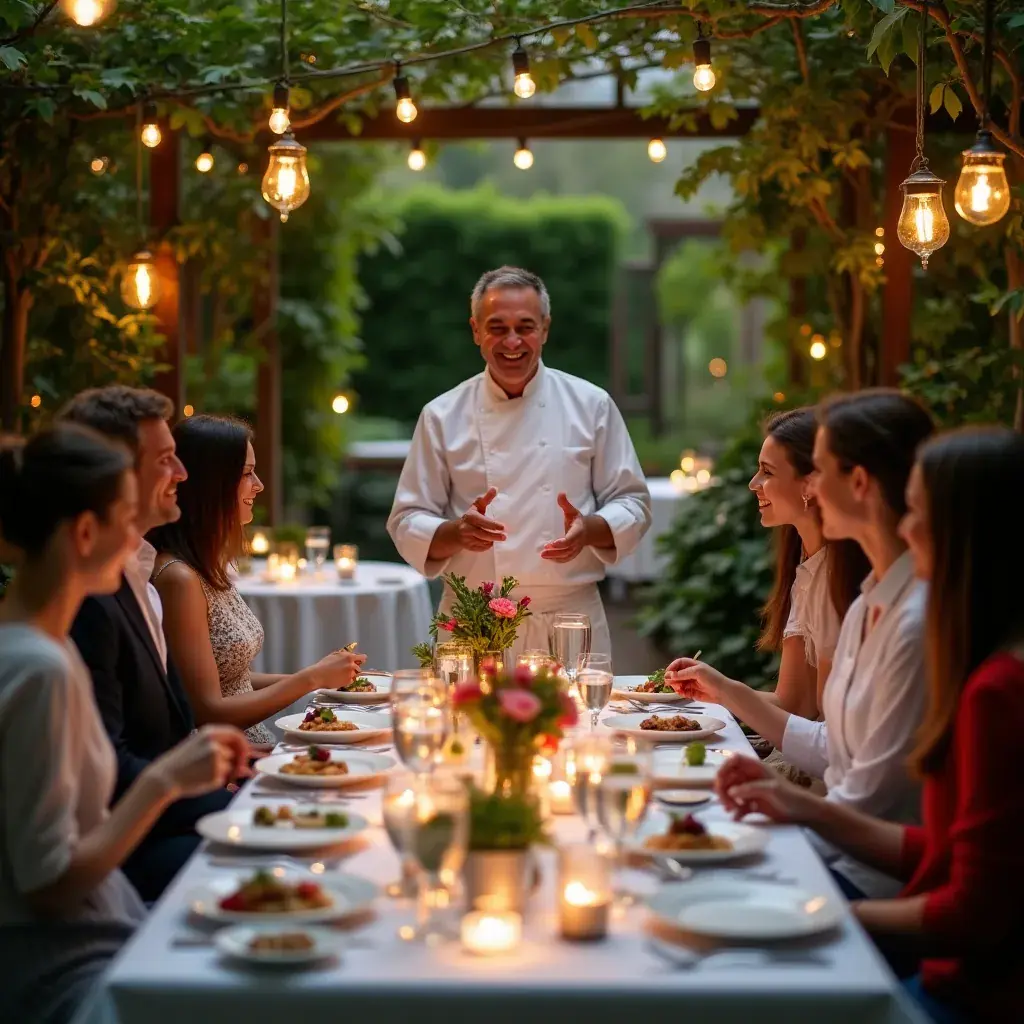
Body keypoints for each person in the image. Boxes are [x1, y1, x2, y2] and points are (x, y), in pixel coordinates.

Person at [714, 426, 1024, 1024]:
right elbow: (948, 852)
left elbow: (974, 911)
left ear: (973, 535)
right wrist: (797, 807)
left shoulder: (994, 685)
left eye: (922, 514)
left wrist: (819, 910)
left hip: (963, 988)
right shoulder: (871, 602)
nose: (907, 530)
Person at [0, 426, 250, 1024]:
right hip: (69, 964)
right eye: (125, 517)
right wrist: (165, 781)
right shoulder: (39, 669)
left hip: (106, 927)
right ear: (86, 533)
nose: (142, 540)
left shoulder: (38, 648)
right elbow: (48, 886)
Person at [667, 389, 935, 897]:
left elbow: (864, 800)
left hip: (859, 874)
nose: (810, 484)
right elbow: (832, 746)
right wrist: (724, 693)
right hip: (831, 844)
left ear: (857, 482)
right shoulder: (867, 602)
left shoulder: (909, 621)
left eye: (819, 470)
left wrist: (778, 817)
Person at [387, 266, 652, 659]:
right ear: (476, 331)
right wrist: (456, 532)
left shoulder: (592, 405)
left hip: (569, 622)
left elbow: (633, 503)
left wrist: (589, 528)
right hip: (474, 622)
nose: (512, 341)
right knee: (462, 722)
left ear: (545, 328)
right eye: (497, 327)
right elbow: (407, 518)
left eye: (525, 326)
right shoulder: (442, 415)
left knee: (583, 721)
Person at [58, 386, 234, 901]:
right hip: (128, 850)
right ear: (113, 477)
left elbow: (172, 731)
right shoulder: (88, 603)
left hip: (172, 815)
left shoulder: (139, 575)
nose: (182, 473)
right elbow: (108, 775)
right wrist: (214, 788)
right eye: (164, 460)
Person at [149, 414, 364, 746]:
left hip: (252, 747)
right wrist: (310, 679)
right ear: (212, 484)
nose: (259, 484)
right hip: (221, 765)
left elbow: (233, 679)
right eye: (247, 473)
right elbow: (207, 710)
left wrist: (321, 678)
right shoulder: (178, 578)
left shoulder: (208, 567)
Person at [748, 408, 868, 787]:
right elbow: (795, 702)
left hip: (836, 780)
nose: (754, 483)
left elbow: (823, 724)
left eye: (767, 472)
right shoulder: (809, 564)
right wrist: (700, 695)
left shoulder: (839, 577)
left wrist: (721, 693)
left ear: (810, 484)